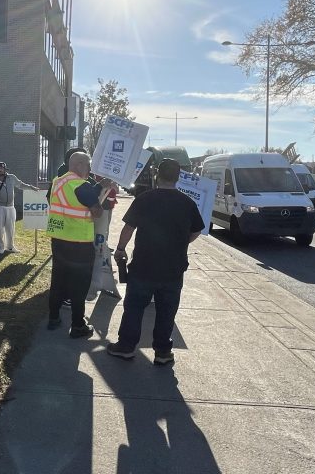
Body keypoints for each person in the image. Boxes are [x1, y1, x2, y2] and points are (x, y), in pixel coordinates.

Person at [106, 158, 204, 365]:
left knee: (134, 307)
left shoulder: (144, 199)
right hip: (173, 268)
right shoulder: (187, 202)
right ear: (178, 178)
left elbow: (129, 227)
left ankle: (125, 347)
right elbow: (197, 229)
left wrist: (121, 249)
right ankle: (162, 352)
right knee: (167, 311)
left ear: (157, 175)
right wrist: (180, 243)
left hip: (144, 265)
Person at [46, 151, 112, 338]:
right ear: (79, 165)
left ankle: (53, 318)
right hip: (79, 244)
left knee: (58, 280)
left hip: (59, 240)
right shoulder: (80, 186)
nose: (89, 170)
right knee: (79, 285)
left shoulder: (57, 181)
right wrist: (100, 191)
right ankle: (77, 325)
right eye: (88, 166)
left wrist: (99, 187)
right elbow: (96, 212)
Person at [0, 161, 39, 254]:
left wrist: (31, 187)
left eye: (1, 168)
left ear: (5, 169)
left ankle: (10, 246)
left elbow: (21, 185)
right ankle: (0, 247)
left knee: (10, 228)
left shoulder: (11, 177)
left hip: (11, 207)